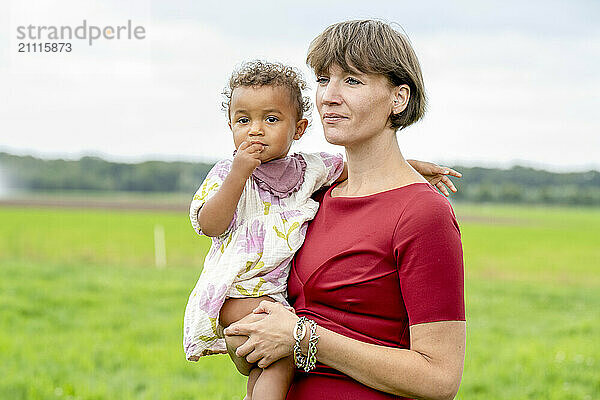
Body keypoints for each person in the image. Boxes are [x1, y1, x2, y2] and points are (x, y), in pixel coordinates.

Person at [184, 60, 461, 400]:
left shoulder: (422, 212)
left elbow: (440, 381)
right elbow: (264, 345)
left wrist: (301, 336)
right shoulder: (309, 199)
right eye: (324, 79)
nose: (329, 95)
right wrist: (252, 341)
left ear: (399, 98)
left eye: (352, 80)